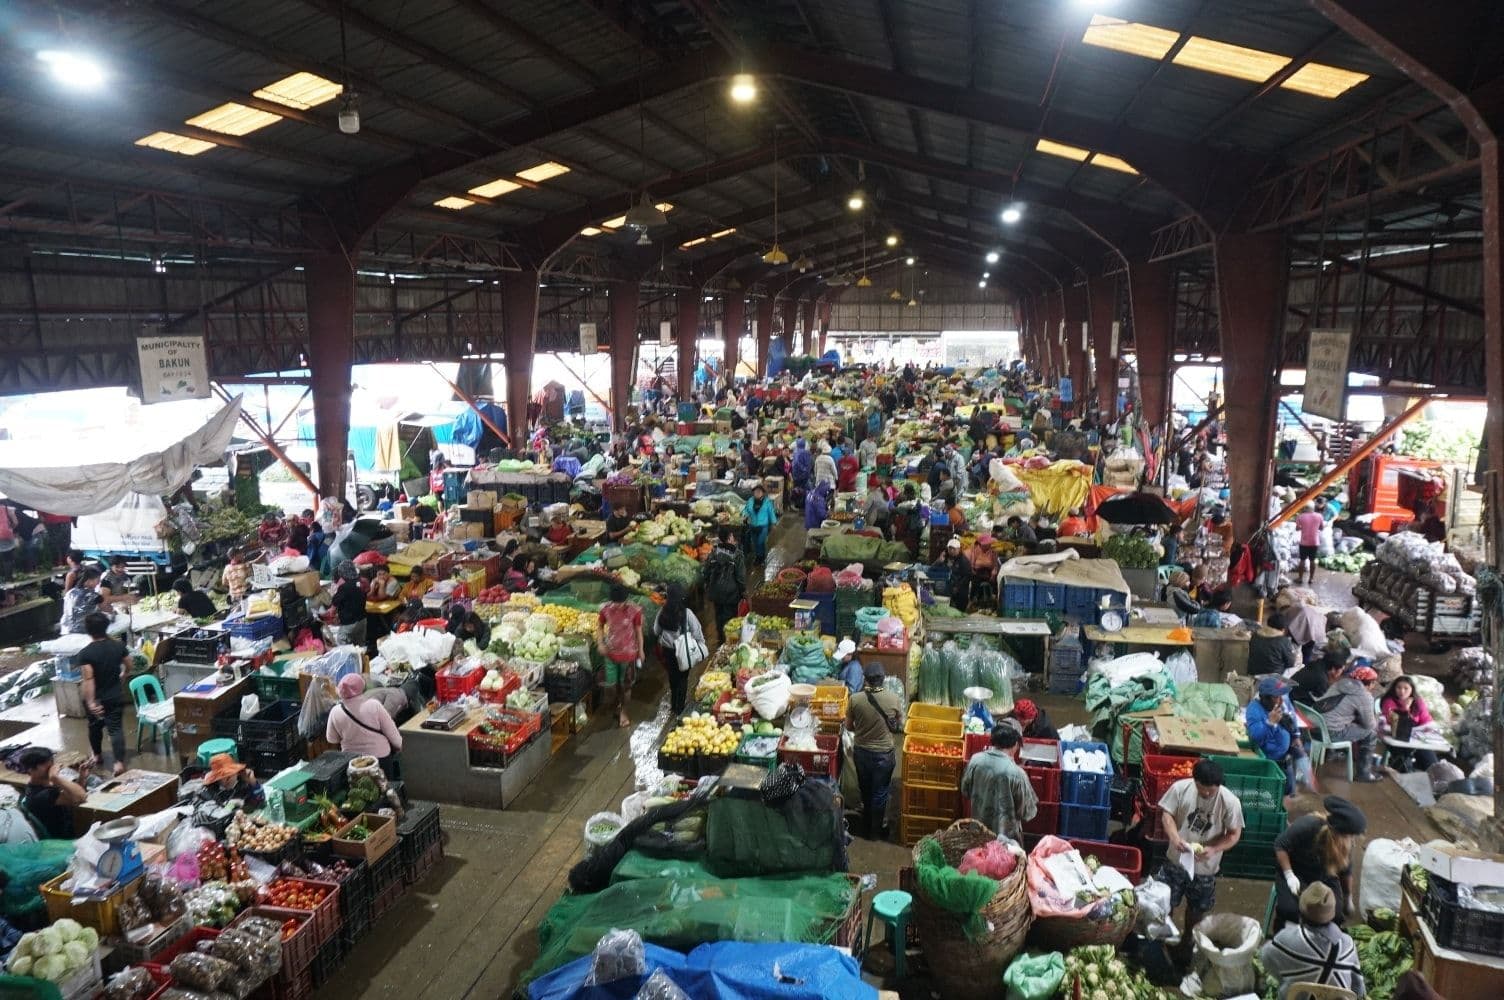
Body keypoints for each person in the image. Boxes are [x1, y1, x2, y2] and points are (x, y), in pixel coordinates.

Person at [1156, 758, 1244, 950]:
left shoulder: (1230, 802)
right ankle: (1160, 938)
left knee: (1197, 909)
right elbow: (1167, 814)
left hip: (1205, 868)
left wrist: (1213, 849)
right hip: (1176, 860)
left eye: (1210, 791)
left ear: (1218, 786)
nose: (1205, 793)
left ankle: (1187, 941)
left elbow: (1234, 834)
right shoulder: (1180, 788)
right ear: (1193, 780)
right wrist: (1174, 837)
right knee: (1164, 903)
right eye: (1201, 788)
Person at [1260, 883, 1366, 999]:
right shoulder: (1348, 944)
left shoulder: (1286, 939)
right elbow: (1358, 990)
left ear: (1301, 913)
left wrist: (1287, 976)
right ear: (1332, 913)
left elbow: (1265, 958)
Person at [1274, 796, 1367, 928]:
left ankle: (1321, 943)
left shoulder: (1345, 845)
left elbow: (1346, 871)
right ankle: (1282, 938)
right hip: (1296, 871)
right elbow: (1280, 845)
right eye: (1349, 836)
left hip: (1324, 875)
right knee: (1290, 910)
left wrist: (1348, 897)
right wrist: (1289, 875)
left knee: (1334, 914)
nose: (1352, 840)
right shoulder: (1309, 825)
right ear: (1339, 833)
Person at [846, 661, 903, 839]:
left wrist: (862, 729)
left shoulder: (855, 699)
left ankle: (866, 823)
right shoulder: (893, 699)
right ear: (883, 679)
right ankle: (875, 831)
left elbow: (849, 726)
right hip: (884, 756)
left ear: (866, 680)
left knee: (866, 788)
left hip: (862, 753)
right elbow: (899, 723)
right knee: (880, 791)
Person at [960, 724, 1038, 842]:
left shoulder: (976, 760)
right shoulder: (1017, 773)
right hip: (1006, 841)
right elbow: (1028, 813)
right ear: (1015, 745)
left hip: (978, 834)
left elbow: (965, 790)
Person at [76, 612, 129, 776]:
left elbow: (89, 678)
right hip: (115, 695)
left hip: (97, 698)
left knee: (94, 728)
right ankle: (119, 763)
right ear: (106, 627)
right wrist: (124, 674)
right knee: (115, 729)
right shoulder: (118, 646)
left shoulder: (86, 653)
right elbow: (129, 663)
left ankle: (97, 755)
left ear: (88, 630)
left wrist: (91, 702)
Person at [1245, 677, 1315, 798]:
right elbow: (1256, 738)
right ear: (1265, 698)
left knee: (1291, 793)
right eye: (1275, 697)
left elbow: (1291, 717)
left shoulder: (1280, 703)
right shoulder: (1254, 710)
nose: (1280, 700)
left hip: (1285, 758)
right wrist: (1270, 723)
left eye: (1280, 696)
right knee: (1271, 795)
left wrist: (1295, 735)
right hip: (1270, 762)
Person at [326, 674, 403, 778]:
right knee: (385, 789)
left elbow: (332, 739)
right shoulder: (374, 705)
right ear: (362, 687)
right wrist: (401, 747)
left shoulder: (335, 711)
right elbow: (393, 735)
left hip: (353, 762)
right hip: (380, 759)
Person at [1317, 664, 1381, 782]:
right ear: (1372, 683)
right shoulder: (1364, 696)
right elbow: (1369, 725)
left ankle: (1330, 754)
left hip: (1315, 728)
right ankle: (1364, 773)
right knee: (1371, 733)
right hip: (1331, 733)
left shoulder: (1340, 684)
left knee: (1342, 721)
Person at [652, 583, 705, 714]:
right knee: (683, 677)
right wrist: (701, 643)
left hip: (668, 650)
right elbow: (696, 629)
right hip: (683, 650)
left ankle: (673, 702)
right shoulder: (687, 613)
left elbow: (656, 630)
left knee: (672, 675)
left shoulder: (662, 611)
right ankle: (679, 707)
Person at [597, 582, 643, 729]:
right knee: (611, 686)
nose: (617, 605)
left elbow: (638, 631)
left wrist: (641, 650)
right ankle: (617, 703)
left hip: (628, 654)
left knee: (626, 686)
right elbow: (599, 626)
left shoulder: (634, 611)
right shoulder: (605, 610)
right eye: (615, 602)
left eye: (620, 602)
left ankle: (624, 711)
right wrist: (600, 643)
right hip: (610, 654)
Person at [18, 747, 86, 838]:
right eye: (45, 766)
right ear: (31, 770)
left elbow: (74, 795)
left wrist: (82, 777)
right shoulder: (40, 795)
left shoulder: (40, 787)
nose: (51, 768)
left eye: (51, 764)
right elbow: (80, 797)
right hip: (62, 841)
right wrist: (55, 778)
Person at [1379, 675, 1440, 772]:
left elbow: (1426, 720)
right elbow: (1397, 722)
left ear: (1412, 690)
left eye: (1406, 688)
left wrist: (1427, 728)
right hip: (1396, 738)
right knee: (1405, 767)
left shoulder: (1418, 702)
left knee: (1433, 765)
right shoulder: (1389, 702)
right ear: (1394, 689)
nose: (1402, 691)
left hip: (1416, 739)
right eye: (1399, 688)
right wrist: (1406, 708)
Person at [703, 527, 746, 641]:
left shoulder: (714, 552)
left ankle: (720, 638)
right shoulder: (737, 554)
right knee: (730, 617)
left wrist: (708, 585)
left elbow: (706, 571)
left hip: (715, 591)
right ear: (729, 538)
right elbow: (741, 577)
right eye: (732, 536)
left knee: (718, 615)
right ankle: (729, 640)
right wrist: (743, 592)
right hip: (731, 593)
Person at [196, 752, 264, 809]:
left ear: (237, 773)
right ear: (216, 779)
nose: (229, 779)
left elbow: (260, 800)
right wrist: (231, 803)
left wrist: (253, 783)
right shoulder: (210, 790)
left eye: (231, 774)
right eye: (224, 777)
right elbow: (213, 813)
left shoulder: (242, 783)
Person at [1248, 612, 1299, 676]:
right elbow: (1290, 663)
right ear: (1283, 629)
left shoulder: (1255, 635)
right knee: (1297, 666)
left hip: (1253, 672)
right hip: (1274, 676)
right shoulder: (1283, 641)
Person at [61, 566, 108, 634]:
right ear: (89, 580)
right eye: (97, 580)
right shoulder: (94, 596)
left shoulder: (70, 592)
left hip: (66, 630)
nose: (98, 583)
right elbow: (105, 608)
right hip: (83, 632)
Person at [742, 485, 778, 564]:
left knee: (760, 542)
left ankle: (761, 557)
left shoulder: (767, 502)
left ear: (763, 493)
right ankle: (758, 557)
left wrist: (774, 523)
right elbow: (746, 510)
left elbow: (771, 513)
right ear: (753, 493)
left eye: (759, 492)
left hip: (763, 526)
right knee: (755, 543)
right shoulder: (750, 501)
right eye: (755, 492)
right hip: (752, 525)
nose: (757, 493)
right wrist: (745, 515)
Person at [942, 537, 973, 612]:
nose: (952, 551)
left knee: (959, 610)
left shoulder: (963, 561)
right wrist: (940, 561)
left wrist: (957, 587)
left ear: (959, 549)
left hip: (960, 590)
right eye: (950, 548)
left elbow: (967, 576)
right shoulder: (945, 557)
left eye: (954, 549)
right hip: (947, 588)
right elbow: (934, 568)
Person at [1295, 503, 1324, 585]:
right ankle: (1311, 579)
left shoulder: (1300, 516)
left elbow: (1297, 528)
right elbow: (1321, 528)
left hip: (1304, 542)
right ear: (1313, 508)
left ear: (1305, 508)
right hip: (1315, 542)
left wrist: (1303, 527)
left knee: (1302, 560)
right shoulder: (1319, 516)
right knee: (1312, 560)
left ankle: (1300, 578)